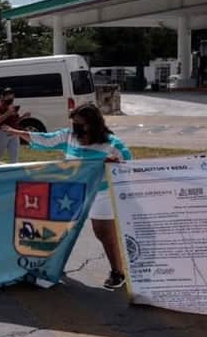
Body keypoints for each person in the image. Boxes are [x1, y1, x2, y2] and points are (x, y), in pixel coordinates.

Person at [9, 103, 132, 290]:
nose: (76, 129)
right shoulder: (69, 136)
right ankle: (52, 266)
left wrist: (115, 164)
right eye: (74, 123)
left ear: (93, 124)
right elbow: (45, 140)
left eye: (80, 125)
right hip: (72, 193)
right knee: (59, 231)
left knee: (103, 232)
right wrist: (17, 132)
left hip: (102, 192)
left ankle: (118, 272)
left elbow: (129, 168)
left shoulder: (113, 144)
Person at [0, 88, 29, 164]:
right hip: (1, 134)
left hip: (14, 133)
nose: (10, 97)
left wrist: (23, 116)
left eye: (11, 95)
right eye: (7, 96)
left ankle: (13, 170)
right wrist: (8, 113)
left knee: (14, 157)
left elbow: (15, 121)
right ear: (3, 97)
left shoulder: (13, 107)